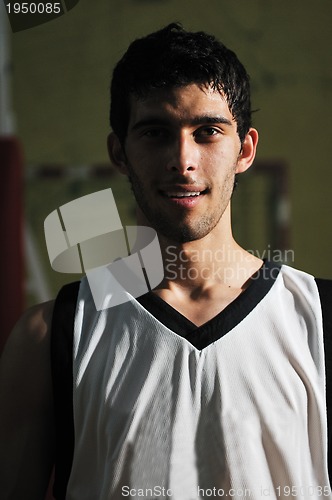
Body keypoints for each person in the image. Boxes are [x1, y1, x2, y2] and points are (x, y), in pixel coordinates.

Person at [0, 23, 331, 500]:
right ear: (119, 152)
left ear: (246, 149)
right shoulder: (51, 337)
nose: (183, 158)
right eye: (156, 132)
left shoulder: (318, 321)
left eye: (207, 132)